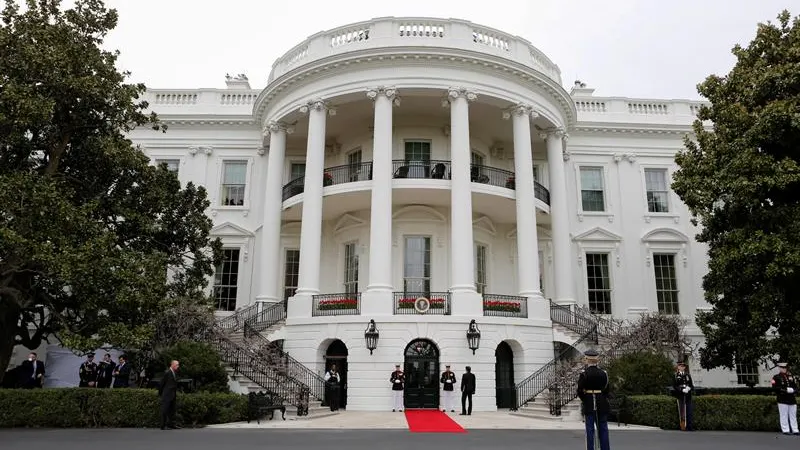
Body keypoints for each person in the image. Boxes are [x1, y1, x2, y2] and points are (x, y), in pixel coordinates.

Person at [577, 349, 610, 450]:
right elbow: (607, 389)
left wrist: (585, 398)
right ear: (597, 360)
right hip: (601, 403)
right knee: (603, 429)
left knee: (590, 430)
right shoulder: (604, 373)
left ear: (587, 360)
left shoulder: (584, 374)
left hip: (589, 403)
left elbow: (579, 390)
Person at [772, 362, 798, 435]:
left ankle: (795, 429)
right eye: (783, 368)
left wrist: (794, 390)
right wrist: (785, 390)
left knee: (793, 415)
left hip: (792, 399)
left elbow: (795, 386)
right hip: (782, 399)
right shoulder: (776, 377)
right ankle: (785, 429)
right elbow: (775, 388)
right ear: (779, 368)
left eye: (785, 368)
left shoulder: (791, 377)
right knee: (784, 415)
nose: (784, 369)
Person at [158, 360, 181, 430]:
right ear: (172, 365)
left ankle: (171, 424)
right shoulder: (167, 372)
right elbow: (162, 384)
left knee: (172, 410)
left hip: (173, 394)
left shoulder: (174, 372)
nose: (178, 366)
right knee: (164, 410)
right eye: (177, 365)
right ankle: (163, 425)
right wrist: (161, 393)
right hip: (167, 394)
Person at [672, 360, 694, 431]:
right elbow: (675, 386)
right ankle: (682, 426)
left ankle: (689, 426)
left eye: (683, 366)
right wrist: (681, 390)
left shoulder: (688, 375)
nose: (682, 367)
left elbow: (691, 385)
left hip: (688, 395)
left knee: (689, 411)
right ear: (678, 367)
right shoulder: (676, 375)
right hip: (681, 396)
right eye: (681, 366)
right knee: (682, 411)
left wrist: (689, 388)